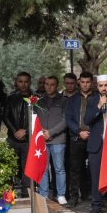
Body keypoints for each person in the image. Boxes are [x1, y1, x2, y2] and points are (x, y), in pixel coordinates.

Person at [82, 74, 107, 213]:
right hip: (96, 144)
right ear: (97, 86)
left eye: (106, 85)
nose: (104, 88)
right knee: (95, 175)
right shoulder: (92, 100)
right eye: (101, 86)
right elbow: (87, 120)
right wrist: (99, 106)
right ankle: (96, 205)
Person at [33, 75, 68, 204]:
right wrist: (41, 132)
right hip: (42, 140)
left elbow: (66, 120)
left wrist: (51, 132)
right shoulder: (38, 101)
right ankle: (44, 194)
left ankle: (61, 194)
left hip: (58, 139)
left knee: (59, 168)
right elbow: (34, 119)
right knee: (43, 168)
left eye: (52, 84)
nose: (48, 87)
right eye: (47, 84)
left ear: (56, 86)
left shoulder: (64, 101)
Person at [64, 71, 95, 208]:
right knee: (75, 168)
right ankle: (74, 197)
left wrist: (91, 133)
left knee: (94, 168)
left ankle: (95, 196)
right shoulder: (72, 99)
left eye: (88, 82)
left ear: (92, 82)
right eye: (82, 82)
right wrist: (79, 131)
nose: (85, 85)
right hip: (76, 137)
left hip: (94, 137)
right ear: (79, 82)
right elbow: (68, 119)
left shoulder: (97, 97)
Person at [3, 72, 33, 196]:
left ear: (30, 82)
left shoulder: (35, 98)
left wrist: (25, 130)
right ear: (16, 82)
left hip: (28, 139)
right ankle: (9, 196)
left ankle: (27, 194)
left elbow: (38, 117)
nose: (23, 84)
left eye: (26, 81)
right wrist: (15, 131)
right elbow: (5, 116)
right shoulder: (11, 98)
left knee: (27, 168)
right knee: (10, 167)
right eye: (20, 81)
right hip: (13, 138)